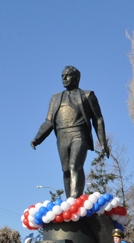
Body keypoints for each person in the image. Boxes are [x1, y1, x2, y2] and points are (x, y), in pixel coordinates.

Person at [30, 66, 110, 198]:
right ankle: (70, 203)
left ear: (76, 78)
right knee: (66, 170)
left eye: (67, 75)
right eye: (62, 76)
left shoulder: (87, 95)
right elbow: (49, 122)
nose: (64, 78)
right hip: (62, 136)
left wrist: (103, 143)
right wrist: (37, 139)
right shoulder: (55, 98)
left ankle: (74, 200)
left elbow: (98, 120)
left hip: (79, 134)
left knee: (75, 166)